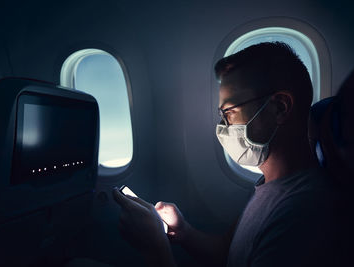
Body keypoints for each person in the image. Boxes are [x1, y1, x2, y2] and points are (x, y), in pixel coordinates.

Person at [113, 42, 340, 267]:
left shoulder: (301, 213)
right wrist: (183, 232)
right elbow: (227, 253)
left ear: (279, 108)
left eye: (229, 112)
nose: (222, 127)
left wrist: (155, 250)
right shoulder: (270, 184)